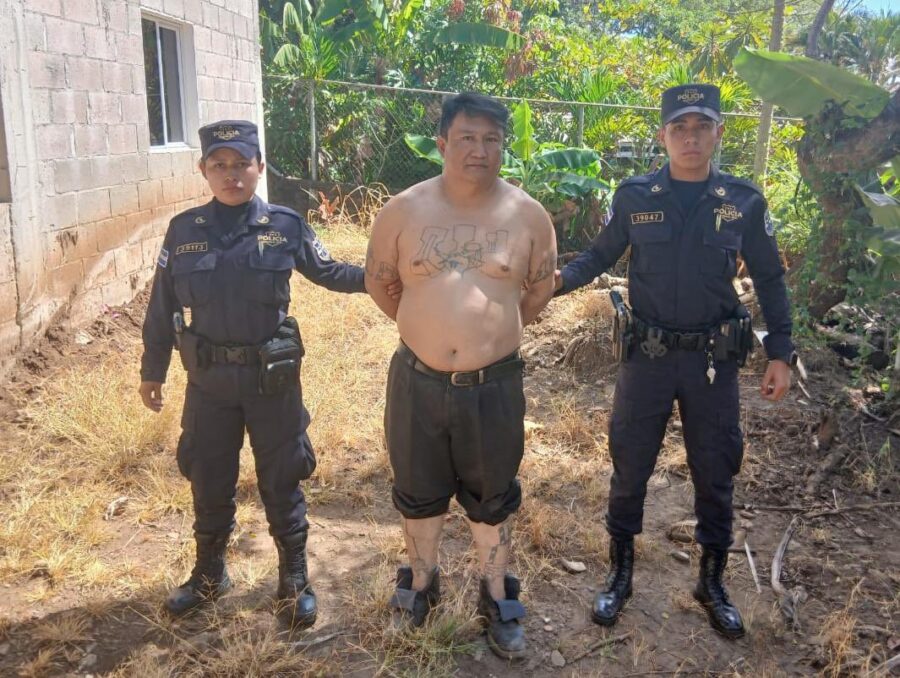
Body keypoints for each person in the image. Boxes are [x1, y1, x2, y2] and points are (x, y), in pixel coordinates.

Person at [554, 84, 795, 639]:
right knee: (630, 462)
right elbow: (599, 255)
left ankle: (711, 581)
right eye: (680, 128)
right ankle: (620, 573)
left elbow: (770, 278)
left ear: (718, 133)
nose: (691, 138)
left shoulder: (743, 201)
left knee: (716, 468)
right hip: (648, 359)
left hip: (713, 361)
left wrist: (780, 352)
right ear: (663, 135)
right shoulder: (635, 196)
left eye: (701, 127)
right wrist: (556, 282)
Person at [139, 120, 399, 627]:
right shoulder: (184, 231)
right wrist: (154, 370)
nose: (231, 174)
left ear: (259, 166)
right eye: (220, 165)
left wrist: (386, 278)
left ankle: (294, 577)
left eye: (241, 164)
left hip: (271, 382)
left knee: (282, 477)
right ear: (203, 169)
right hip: (209, 383)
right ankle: (210, 574)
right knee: (208, 476)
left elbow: (330, 271)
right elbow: (162, 303)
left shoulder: (285, 225)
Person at [365, 93, 557, 658]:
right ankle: (421, 583)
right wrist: (426, 330)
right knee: (417, 489)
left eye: (492, 139)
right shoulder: (402, 210)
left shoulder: (528, 215)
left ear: (503, 145)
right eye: (468, 137)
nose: (480, 149)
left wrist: (488, 337)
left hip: (493, 385)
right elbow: (379, 282)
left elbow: (539, 290)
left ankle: (496, 594)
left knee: (492, 494)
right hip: (417, 380)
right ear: (443, 142)